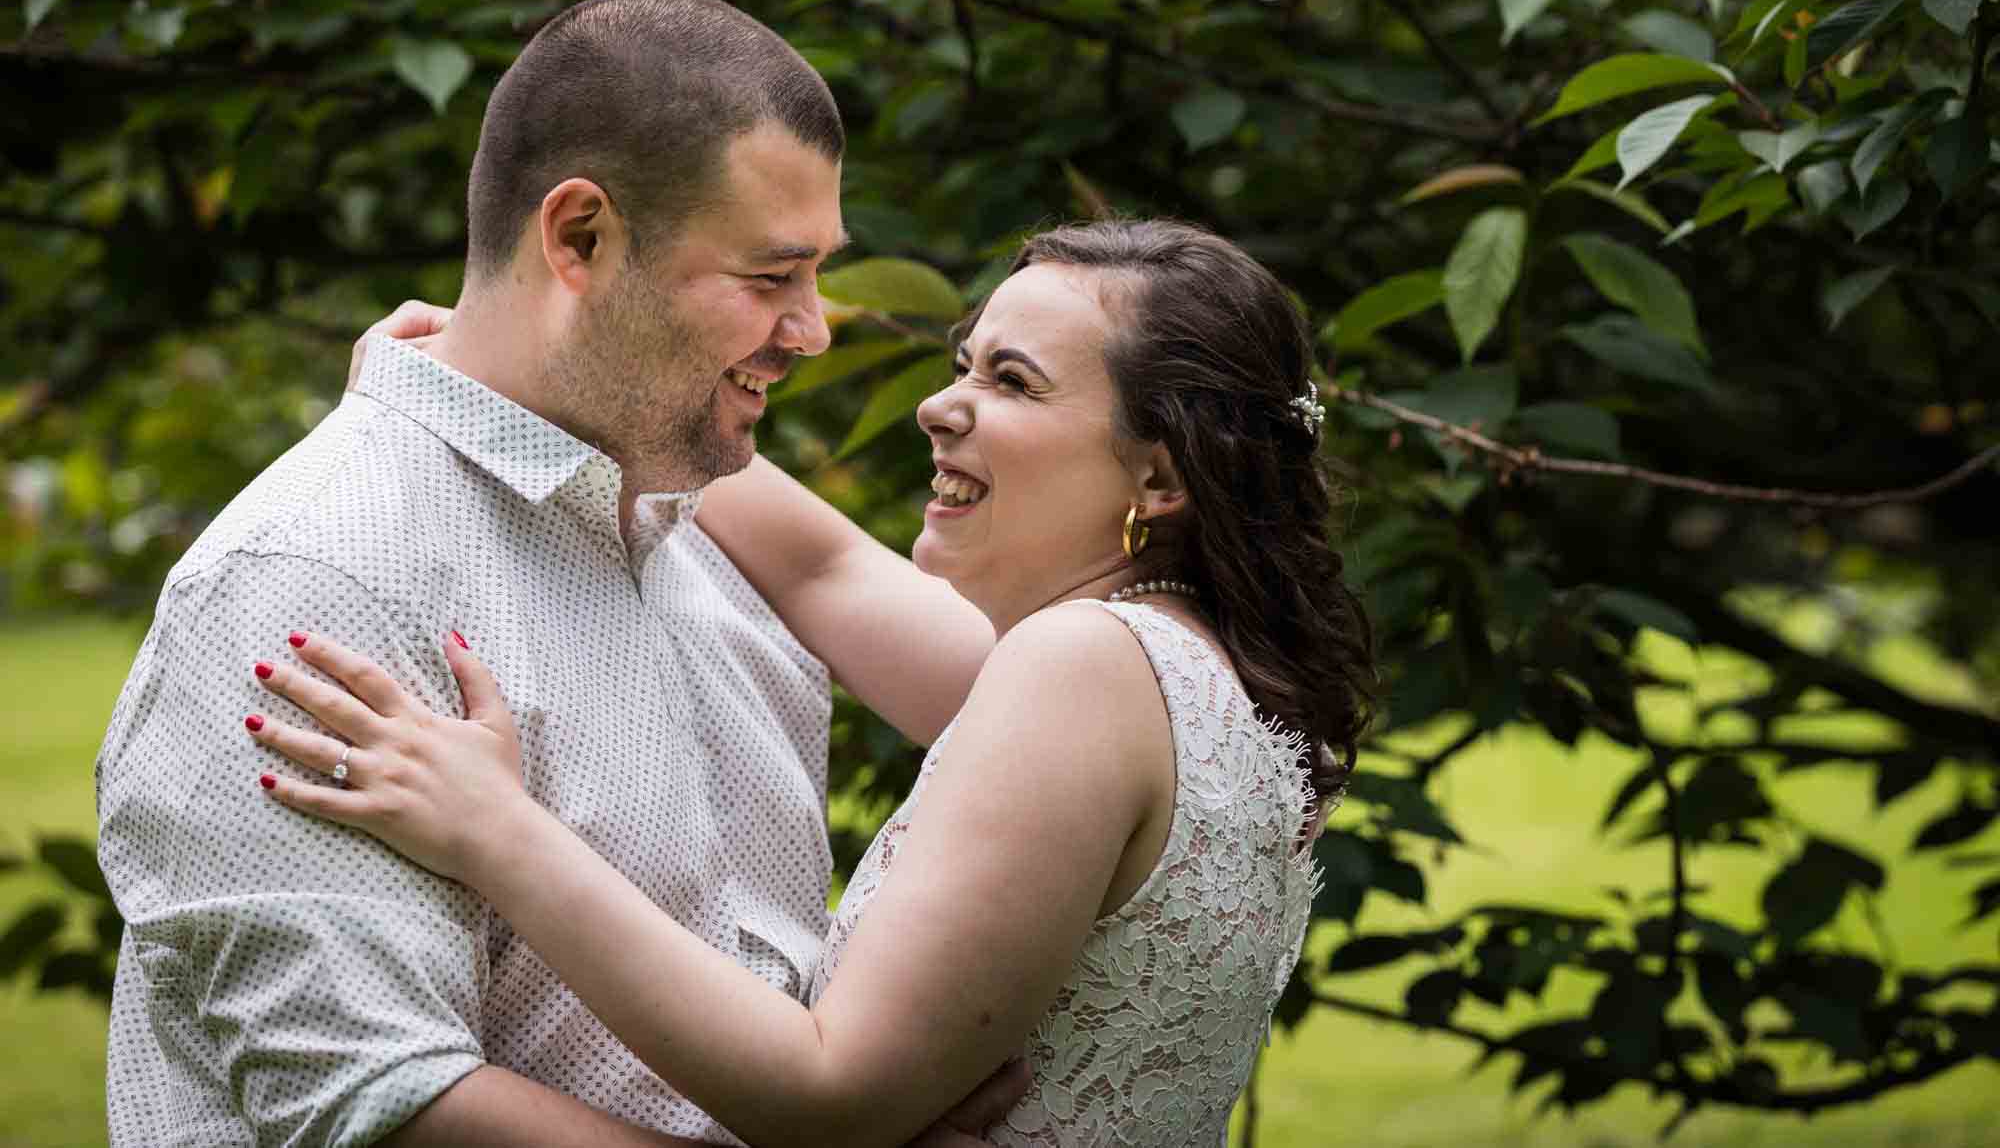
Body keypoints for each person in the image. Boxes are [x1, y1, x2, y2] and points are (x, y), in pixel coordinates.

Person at [94, 0, 1016, 1147]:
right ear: (578, 237)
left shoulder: (706, 529)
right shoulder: (315, 577)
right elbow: (382, 1108)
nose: (814, 329)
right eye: (770, 277)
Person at [244, 219, 1377, 1146]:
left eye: (1014, 382)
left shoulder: (1080, 668)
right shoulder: (1187, 674)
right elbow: (820, 564)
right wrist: (502, 375)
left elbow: (829, 1100)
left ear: (1161, 471)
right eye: (961, 363)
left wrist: (495, 828)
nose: (941, 404)